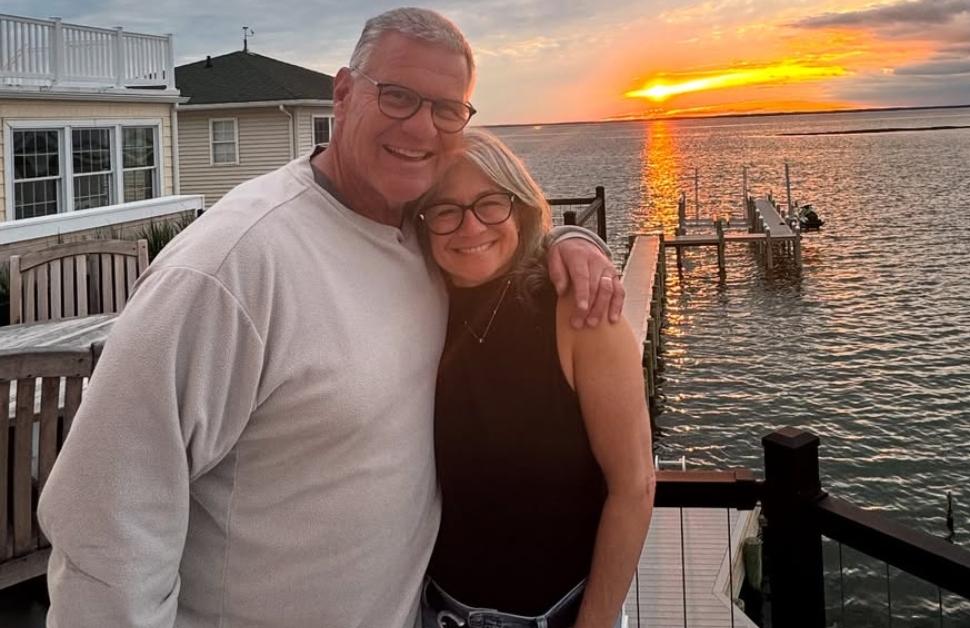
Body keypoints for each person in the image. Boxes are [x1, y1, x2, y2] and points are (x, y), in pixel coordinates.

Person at [36, 8, 623, 628]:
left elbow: (501, 241)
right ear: (343, 94)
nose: (422, 126)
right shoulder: (232, 265)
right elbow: (107, 520)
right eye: (397, 97)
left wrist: (572, 244)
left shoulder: (421, 236)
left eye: (447, 109)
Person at [415, 131, 654, 628]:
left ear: (519, 207)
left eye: (490, 204)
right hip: (434, 611)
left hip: (557, 615)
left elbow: (633, 486)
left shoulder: (580, 313)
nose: (470, 226)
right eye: (445, 210)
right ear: (422, 223)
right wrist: (574, 237)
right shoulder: (419, 305)